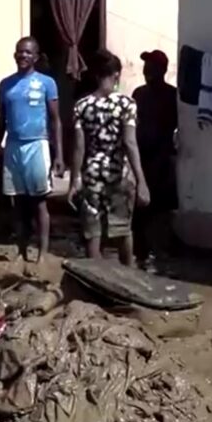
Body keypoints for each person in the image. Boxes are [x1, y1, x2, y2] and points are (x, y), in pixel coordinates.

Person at [0, 37, 64, 271]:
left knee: (39, 202)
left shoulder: (47, 83)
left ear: (36, 57)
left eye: (28, 53)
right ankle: (21, 251)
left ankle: (42, 253)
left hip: (37, 145)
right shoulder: (5, 85)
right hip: (12, 146)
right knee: (18, 204)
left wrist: (59, 155)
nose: (23, 56)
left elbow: (55, 120)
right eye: (20, 52)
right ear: (15, 55)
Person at [69, 50, 150, 265]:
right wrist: (141, 180)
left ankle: (95, 281)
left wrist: (74, 180)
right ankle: (129, 279)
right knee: (123, 230)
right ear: (117, 75)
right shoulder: (126, 104)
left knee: (93, 232)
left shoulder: (82, 106)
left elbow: (79, 147)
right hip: (118, 175)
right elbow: (130, 143)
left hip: (92, 176)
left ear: (96, 75)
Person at [131, 50, 179, 271]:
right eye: (145, 66)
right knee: (140, 208)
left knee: (160, 208)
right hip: (141, 157)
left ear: (162, 70)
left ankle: (158, 253)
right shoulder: (139, 94)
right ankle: (140, 253)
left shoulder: (172, 95)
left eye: (151, 66)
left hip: (161, 156)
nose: (146, 70)